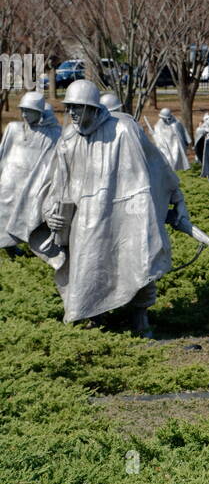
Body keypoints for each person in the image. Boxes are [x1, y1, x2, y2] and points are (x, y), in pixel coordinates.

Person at [28, 80, 192, 336]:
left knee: (138, 261)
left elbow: (156, 165)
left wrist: (177, 199)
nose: (72, 113)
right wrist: (51, 213)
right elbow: (57, 182)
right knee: (89, 266)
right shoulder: (69, 137)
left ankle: (141, 319)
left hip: (129, 212)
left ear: (93, 108)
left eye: (78, 107)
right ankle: (95, 317)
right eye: (69, 107)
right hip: (87, 218)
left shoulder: (124, 129)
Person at [0, 93, 61, 254]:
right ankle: (8, 248)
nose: (25, 114)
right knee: (4, 214)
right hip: (9, 180)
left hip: (31, 182)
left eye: (30, 111)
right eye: (23, 110)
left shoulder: (50, 134)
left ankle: (33, 246)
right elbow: (3, 153)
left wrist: (51, 123)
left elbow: (58, 148)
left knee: (28, 215)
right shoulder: (13, 128)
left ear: (40, 112)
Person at [153, 107, 191, 172]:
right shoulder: (159, 125)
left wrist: (186, 140)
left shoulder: (176, 122)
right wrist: (154, 136)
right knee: (169, 161)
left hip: (178, 145)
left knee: (178, 160)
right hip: (167, 146)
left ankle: (180, 172)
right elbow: (158, 136)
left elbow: (183, 130)